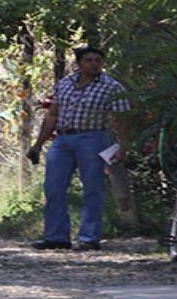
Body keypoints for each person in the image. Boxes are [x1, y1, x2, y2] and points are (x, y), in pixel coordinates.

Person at [27, 46, 130, 251]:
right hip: (63, 138)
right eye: (89, 60)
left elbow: (121, 119)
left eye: (97, 60)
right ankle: (56, 236)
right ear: (79, 63)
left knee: (92, 187)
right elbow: (52, 115)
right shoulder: (65, 84)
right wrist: (38, 144)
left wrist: (122, 146)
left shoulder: (112, 87)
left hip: (94, 138)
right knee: (53, 187)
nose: (94, 64)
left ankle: (89, 237)